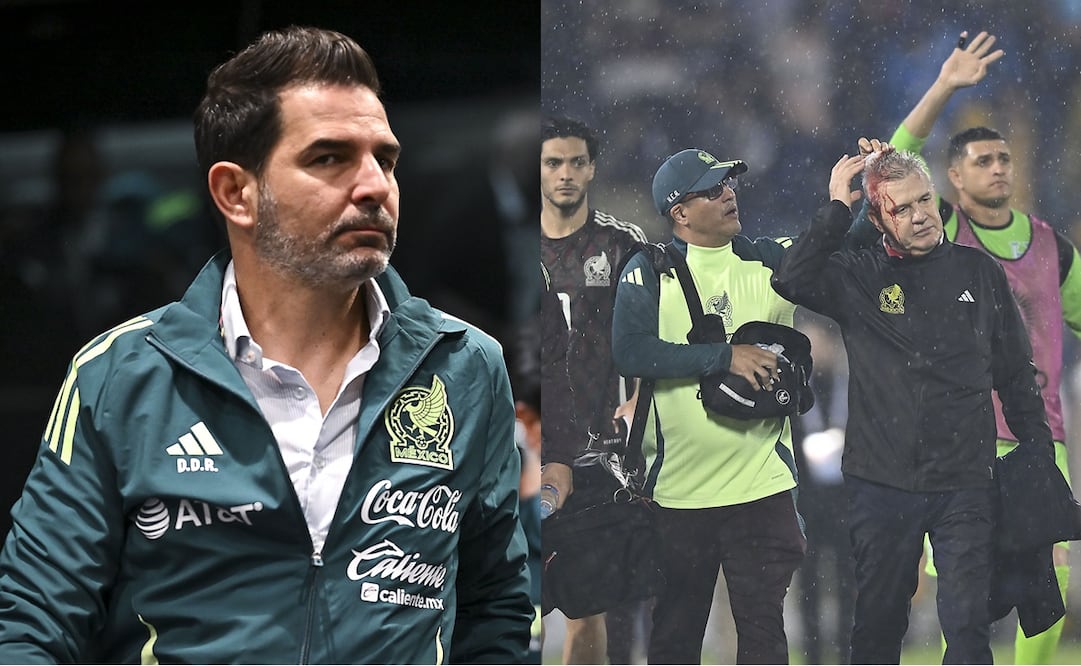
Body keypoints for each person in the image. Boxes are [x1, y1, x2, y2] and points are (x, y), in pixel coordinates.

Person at [0, 26, 532, 664]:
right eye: (329, 158)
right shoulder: (120, 375)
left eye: (384, 159)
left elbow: (496, 607)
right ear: (236, 193)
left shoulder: (467, 366)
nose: (374, 186)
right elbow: (34, 622)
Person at [772, 140, 1056, 664]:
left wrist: (1037, 454)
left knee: (968, 628)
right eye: (900, 208)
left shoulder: (980, 274)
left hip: (966, 484)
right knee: (878, 628)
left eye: (924, 200)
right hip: (881, 485)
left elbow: (1016, 375)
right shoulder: (860, 276)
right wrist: (838, 206)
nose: (921, 215)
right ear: (878, 220)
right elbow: (792, 278)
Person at [882, 30, 1081, 664]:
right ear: (953, 176)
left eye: (1003, 159)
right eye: (982, 161)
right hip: (957, 432)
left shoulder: (1055, 248)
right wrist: (944, 86)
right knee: (965, 587)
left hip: (1036, 433)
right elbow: (887, 164)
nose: (997, 168)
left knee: (1051, 582)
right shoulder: (940, 231)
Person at [611, 147, 806, 664]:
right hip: (677, 492)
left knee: (764, 631)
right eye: (713, 189)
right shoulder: (648, 269)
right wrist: (725, 356)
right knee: (675, 637)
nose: (729, 193)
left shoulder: (769, 258)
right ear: (680, 211)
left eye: (729, 184)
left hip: (761, 487)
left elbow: (839, 241)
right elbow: (629, 350)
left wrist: (851, 196)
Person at [539, 115, 649, 664]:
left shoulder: (622, 244)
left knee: (590, 607)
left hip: (601, 451)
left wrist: (640, 400)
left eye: (576, 162)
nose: (565, 174)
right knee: (513, 598)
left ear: (592, 169)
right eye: (553, 162)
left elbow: (659, 331)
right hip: (523, 443)